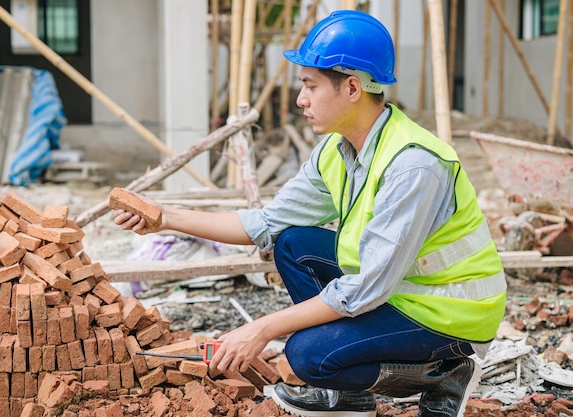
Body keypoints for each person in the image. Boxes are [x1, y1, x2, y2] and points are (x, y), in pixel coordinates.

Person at [114, 9, 507, 417]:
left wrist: (261, 328)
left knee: (306, 357)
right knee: (292, 241)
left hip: (452, 314)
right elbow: (264, 225)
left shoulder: (413, 165)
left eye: (309, 85)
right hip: (398, 292)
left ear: (352, 87)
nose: (300, 99)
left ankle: (446, 372)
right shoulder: (337, 150)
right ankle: (348, 394)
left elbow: (365, 289)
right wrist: (166, 218)